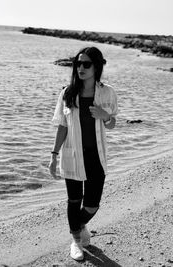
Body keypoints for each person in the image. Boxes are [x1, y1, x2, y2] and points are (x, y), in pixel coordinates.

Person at [49, 46, 118, 261]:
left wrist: (104, 115)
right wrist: (53, 155)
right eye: (77, 63)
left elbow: (112, 123)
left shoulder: (107, 92)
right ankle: (76, 241)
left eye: (86, 64)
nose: (81, 68)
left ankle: (78, 226)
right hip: (73, 154)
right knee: (74, 200)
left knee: (92, 204)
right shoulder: (67, 93)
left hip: (96, 155)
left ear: (96, 66)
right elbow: (62, 126)